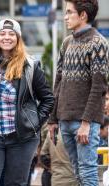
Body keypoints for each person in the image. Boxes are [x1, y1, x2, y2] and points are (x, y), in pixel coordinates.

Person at [0, 18, 54, 185]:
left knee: (15, 183)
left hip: (21, 136)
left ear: (18, 38)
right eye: (2, 33)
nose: (6, 37)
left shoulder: (29, 66)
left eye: (11, 34)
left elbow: (48, 99)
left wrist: (34, 123)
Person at [48, 0, 109, 185]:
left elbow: (99, 87)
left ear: (83, 15)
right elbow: (58, 83)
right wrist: (52, 119)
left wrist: (86, 123)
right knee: (77, 173)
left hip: (85, 124)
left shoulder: (98, 42)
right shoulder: (66, 43)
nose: (65, 17)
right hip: (64, 120)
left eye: (69, 12)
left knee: (88, 173)